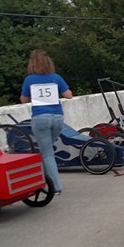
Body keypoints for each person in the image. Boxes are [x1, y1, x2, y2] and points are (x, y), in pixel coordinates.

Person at [20, 50, 73, 196]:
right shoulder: (56, 77)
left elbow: (23, 100)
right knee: (47, 151)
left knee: (47, 153)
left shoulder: (29, 80)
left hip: (40, 118)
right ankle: (42, 179)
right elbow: (68, 95)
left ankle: (55, 186)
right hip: (57, 117)